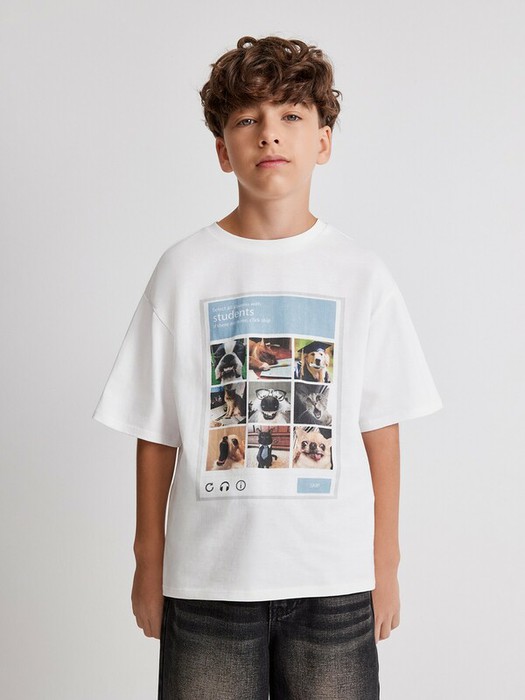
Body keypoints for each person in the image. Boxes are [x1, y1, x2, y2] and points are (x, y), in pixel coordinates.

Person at [92, 35, 443, 699]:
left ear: (323, 142)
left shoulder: (360, 273)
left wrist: (386, 561)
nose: (269, 134)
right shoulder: (183, 270)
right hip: (208, 582)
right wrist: (148, 559)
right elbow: (156, 430)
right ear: (223, 151)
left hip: (333, 580)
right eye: (247, 118)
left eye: (291, 115)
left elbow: (380, 425)